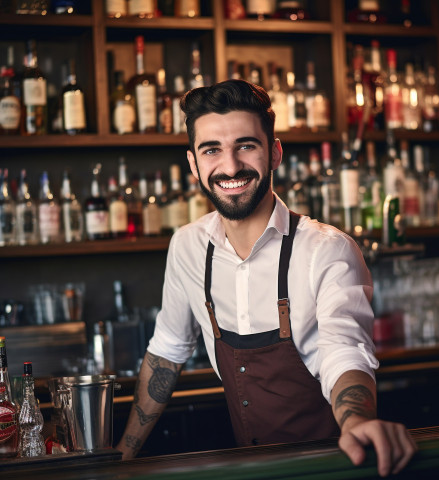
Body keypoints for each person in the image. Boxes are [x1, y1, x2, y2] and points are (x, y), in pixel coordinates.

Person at [117, 79, 417, 476]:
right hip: (251, 470)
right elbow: (167, 353)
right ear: (193, 163)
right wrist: (122, 456)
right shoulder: (187, 248)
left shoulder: (326, 250)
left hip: (337, 467)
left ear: (274, 153)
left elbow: (344, 349)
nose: (230, 166)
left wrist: (357, 421)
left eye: (246, 145)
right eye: (212, 150)